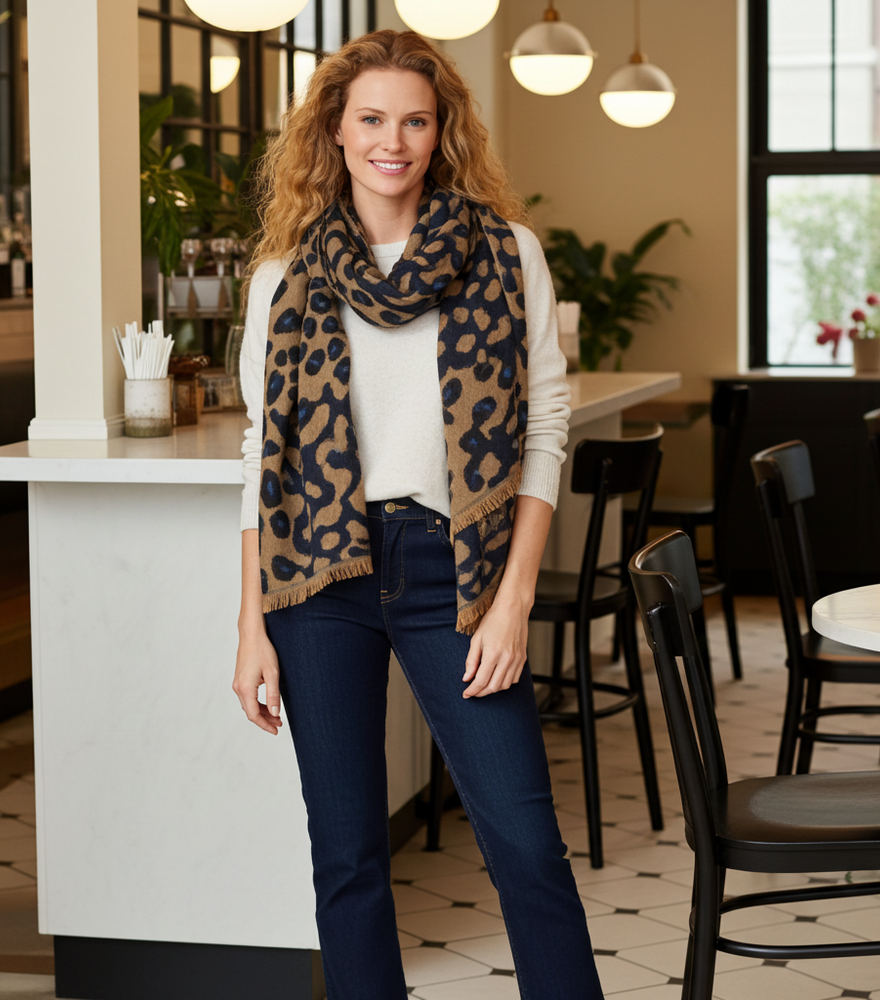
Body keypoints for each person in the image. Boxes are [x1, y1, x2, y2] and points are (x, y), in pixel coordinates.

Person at [233, 28, 604, 1000]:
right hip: (318, 576)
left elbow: (542, 424)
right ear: (335, 132)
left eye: (413, 119)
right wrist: (250, 626)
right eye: (370, 119)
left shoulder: (502, 252)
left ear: (441, 134)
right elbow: (257, 461)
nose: (391, 140)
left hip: (458, 566)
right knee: (347, 852)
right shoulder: (284, 280)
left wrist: (514, 595)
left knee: (524, 839)